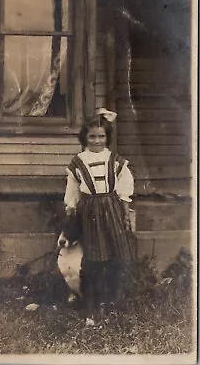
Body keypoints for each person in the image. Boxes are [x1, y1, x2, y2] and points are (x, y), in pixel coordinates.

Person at [58, 108, 137, 327]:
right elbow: (72, 191)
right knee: (91, 260)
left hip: (111, 210)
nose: (97, 140)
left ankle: (111, 301)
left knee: (114, 258)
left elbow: (124, 190)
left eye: (101, 136)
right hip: (89, 213)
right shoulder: (78, 162)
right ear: (85, 137)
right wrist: (70, 210)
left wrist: (125, 214)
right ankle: (90, 305)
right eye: (92, 136)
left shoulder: (115, 161)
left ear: (107, 137)